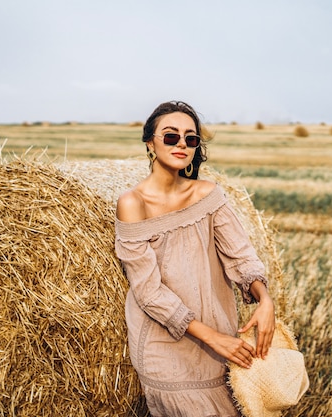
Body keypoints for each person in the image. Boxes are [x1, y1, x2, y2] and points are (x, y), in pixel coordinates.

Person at [114, 101, 275, 416]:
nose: (182, 144)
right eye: (171, 136)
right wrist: (213, 338)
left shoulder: (208, 194)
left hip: (221, 341)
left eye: (191, 138)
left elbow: (241, 256)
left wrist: (264, 299)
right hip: (166, 347)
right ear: (150, 142)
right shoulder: (132, 203)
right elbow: (148, 292)